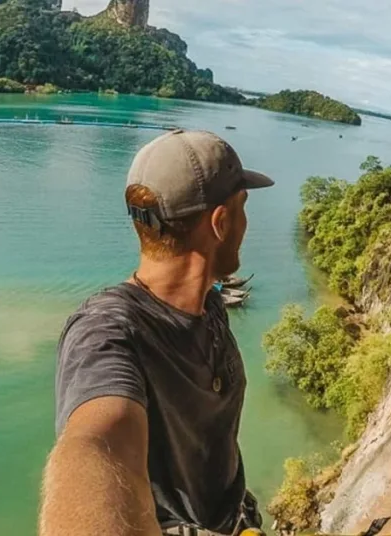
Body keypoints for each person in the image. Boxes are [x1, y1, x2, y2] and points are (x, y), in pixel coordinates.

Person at [39, 129, 274, 536]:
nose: (246, 222)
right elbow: (93, 445)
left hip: (235, 519)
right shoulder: (106, 332)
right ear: (220, 222)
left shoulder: (210, 307)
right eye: (242, 207)